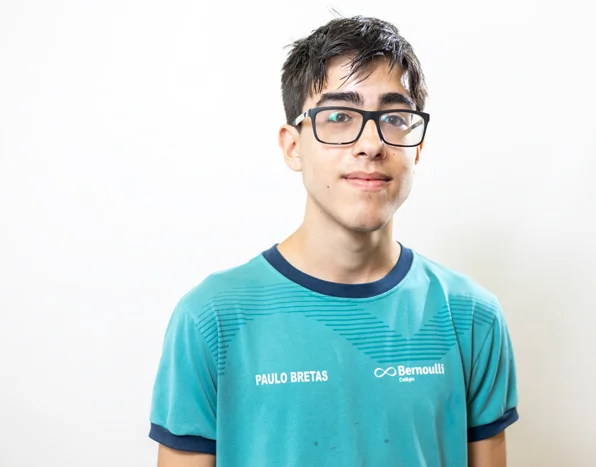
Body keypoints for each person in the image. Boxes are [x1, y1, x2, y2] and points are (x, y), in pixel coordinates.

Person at [148, 14, 519, 467]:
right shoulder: (212, 318)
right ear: (292, 146)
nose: (371, 144)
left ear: (417, 147)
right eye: (340, 116)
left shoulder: (471, 316)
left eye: (395, 117)